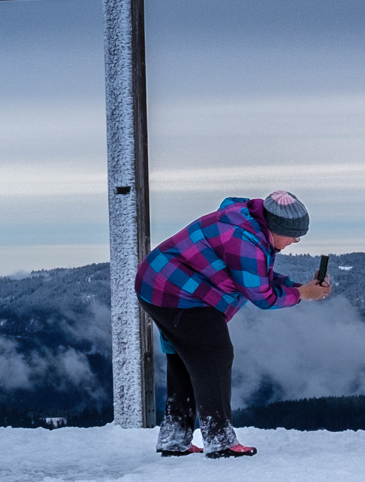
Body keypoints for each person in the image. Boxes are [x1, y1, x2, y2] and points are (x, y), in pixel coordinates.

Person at [135, 190, 332, 458]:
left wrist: (300, 287)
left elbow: (257, 274)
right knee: (214, 354)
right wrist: (302, 294)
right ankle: (220, 440)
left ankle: (175, 438)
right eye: (294, 236)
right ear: (277, 228)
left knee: (186, 359)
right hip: (178, 294)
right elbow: (263, 296)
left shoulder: (248, 226)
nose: (293, 242)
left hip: (158, 284)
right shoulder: (245, 239)